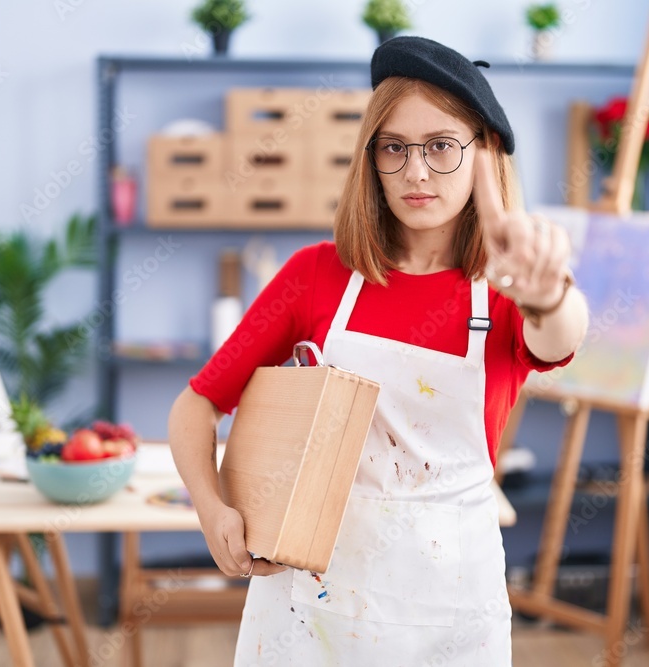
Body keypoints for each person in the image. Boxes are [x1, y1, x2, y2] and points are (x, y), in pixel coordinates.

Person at [168, 36, 589, 666]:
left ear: (484, 155)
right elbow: (195, 404)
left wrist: (548, 293)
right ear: (372, 160)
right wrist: (211, 509)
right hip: (310, 607)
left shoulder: (505, 291)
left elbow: (561, 334)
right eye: (395, 148)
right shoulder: (316, 276)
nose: (416, 171)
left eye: (442, 147)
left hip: (450, 609)